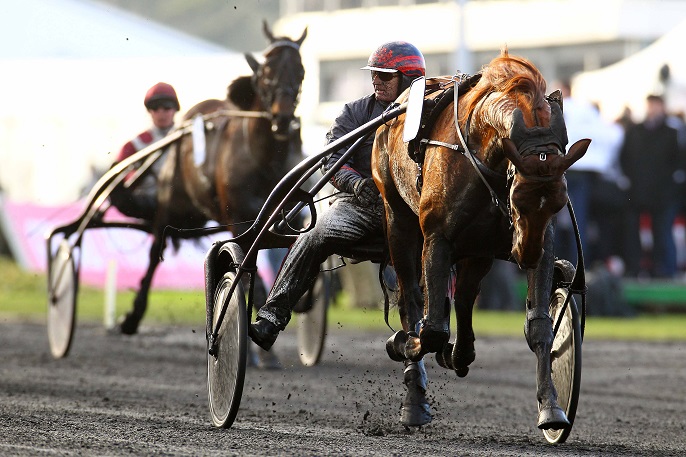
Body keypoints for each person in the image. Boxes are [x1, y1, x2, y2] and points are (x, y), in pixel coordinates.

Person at [249, 41, 425, 349]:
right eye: (374, 75)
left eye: (385, 76)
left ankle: (437, 325)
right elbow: (332, 159)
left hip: (413, 212)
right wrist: (357, 185)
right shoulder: (356, 112)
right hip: (360, 207)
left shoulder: (430, 116)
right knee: (315, 234)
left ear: (409, 79)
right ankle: (273, 316)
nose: (376, 81)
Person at [619, 94, 683, 278]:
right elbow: (625, 158)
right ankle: (635, 268)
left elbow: (678, 163)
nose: (652, 109)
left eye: (656, 105)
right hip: (637, 191)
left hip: (663, 194)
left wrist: (671, 185)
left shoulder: (671, 133)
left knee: (662, 232)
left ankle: (665, 269)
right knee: (632, 232)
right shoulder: (635, 131)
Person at [109, 82, 180, 220]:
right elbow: (120, 178)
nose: (161, 113)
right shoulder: (134, 145)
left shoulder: (190, 141)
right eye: (155, 108)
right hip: (149, 204)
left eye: (166, 107)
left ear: (175, 109)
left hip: (181, 203)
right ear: (149, 111)